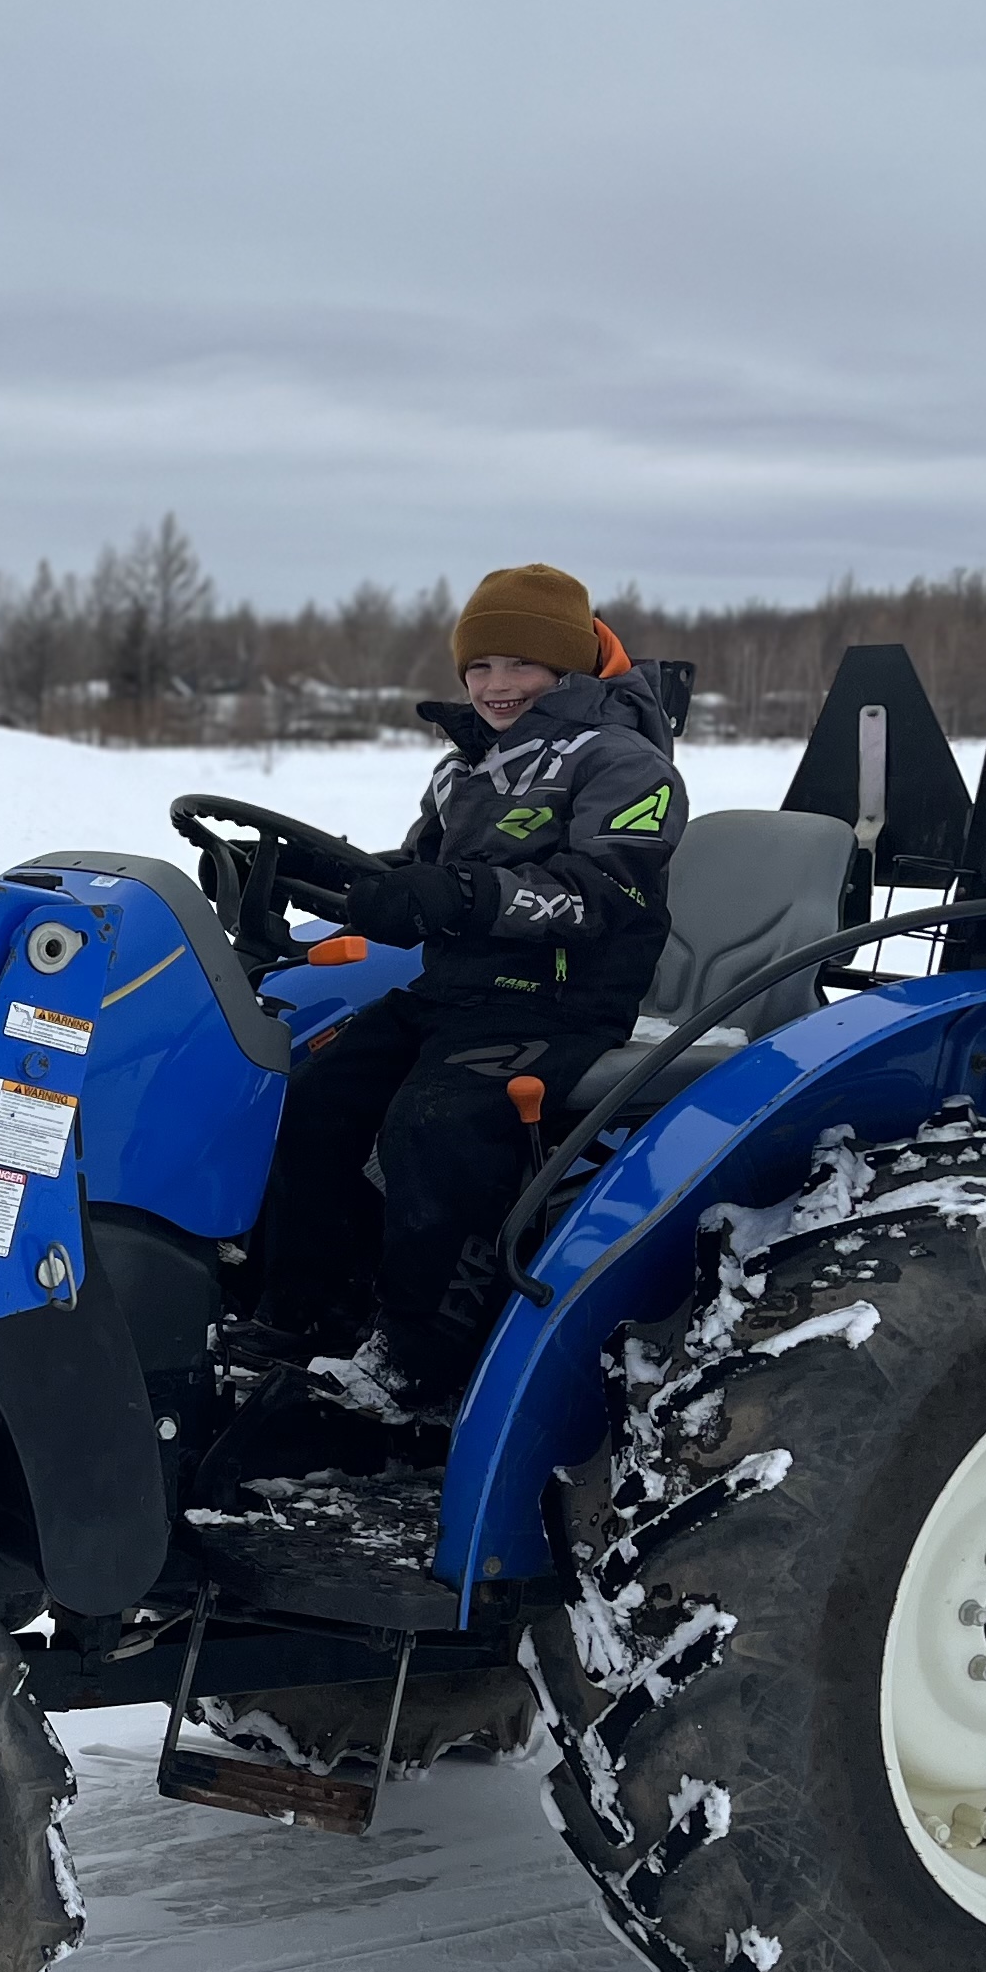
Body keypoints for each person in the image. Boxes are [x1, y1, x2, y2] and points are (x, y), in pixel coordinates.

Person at [249, 562, 685, 1418]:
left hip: (561, 1002)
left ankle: (421, 1359)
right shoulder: (462, 769)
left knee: (436, 1124)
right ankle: (315, 1311)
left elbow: (608, 891)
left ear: (565, 667)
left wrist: (465, 896)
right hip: (455, 994)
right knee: (311, 1099)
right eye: (479, 667)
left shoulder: (627, 763)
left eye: (520, 664)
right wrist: (326, 873)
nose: (495, 685)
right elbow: (423, 870)